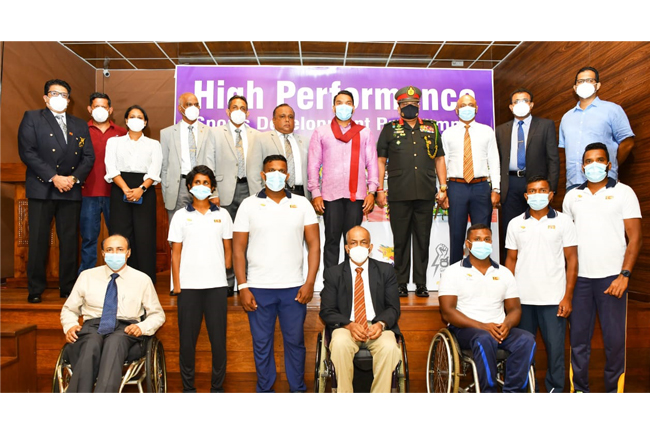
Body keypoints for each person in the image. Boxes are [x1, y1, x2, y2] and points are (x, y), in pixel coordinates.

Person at [233, 154, 320, 393]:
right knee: (262, 344)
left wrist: (310, 282)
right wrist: (242, 286)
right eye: (271, 170)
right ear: (262, 175)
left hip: (294, 288)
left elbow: (314, 245)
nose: (276, 175)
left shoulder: (302, 204)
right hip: (258, 288)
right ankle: (265, 391)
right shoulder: (248, 204)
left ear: (288, 176)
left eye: (281, 170)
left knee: (295, 343)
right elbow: (238, 250)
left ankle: (298, 390)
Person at [562, 142, 642, 393]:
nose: (594, 165)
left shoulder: (624, 192)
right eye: (589, 161)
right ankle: (580, 392)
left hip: (612, 281)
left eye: (599, 160)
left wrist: (624, 275)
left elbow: (636, 237)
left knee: (614, 344)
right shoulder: (572, 196)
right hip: (580, 281)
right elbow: (566, 242)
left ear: (608, 164)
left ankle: (612, 396)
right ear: (582, 166)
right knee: (578, 343)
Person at [18, 78, 95, 302]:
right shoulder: (32, 118)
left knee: (70, 241)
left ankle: (68, 287)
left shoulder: (80, 125)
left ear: (69, 101)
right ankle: (35, 289)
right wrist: (54, 177)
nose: (59, 98)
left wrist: (72, 178)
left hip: (70, 189)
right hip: (42, 188)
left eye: (64, 95)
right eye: (54, 94)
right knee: (39, 240)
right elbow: (28, 152)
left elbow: (88, 156)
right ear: (45, 97)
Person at [60, 234, 165, 393]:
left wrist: (142, 327)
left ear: (128, 253)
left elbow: (157, 314)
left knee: (114, 343)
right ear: (103, 253)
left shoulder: (142, 279)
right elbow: (69, 309)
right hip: (93, 326)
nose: (114, 253)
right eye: (109, 250)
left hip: (125, 329)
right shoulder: (87, 276)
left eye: (120, 249)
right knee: (90, 344)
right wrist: (70, 325)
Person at [439, 223, 536, 393]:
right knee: (484, 338)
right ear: (468, 244)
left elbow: (515, 310)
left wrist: (506, 325)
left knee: (526, 339)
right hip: (466, 329)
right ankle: (489, 392)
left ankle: (514, 392)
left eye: (486, 239)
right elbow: (448, 312)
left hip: (498, 328)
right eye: (477, 239)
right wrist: (483, 326)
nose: (482, 243)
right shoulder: (453, 272)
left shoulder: (504, 273)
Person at [505, 176, 578, 393]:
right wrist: (508, 297)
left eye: (542, 190)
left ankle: (555, 392)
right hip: (522, 301)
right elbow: (510, 260)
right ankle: (528, 392)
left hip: (554, 300)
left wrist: (568, 297)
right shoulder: (515, 223)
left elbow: (572, 260)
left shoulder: (564, 221)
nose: (538, 195)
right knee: (523, 352)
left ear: (551, 194)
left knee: (556, 352)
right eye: (533, 191)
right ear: (526, 196)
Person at [376, 85, 447, 297]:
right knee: (401, 240)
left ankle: (421, 283)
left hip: (425, 193)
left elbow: (440, 158)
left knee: (422, 239)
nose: (409, 108)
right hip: (398, 194)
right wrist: (380, 188)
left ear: (419, 106)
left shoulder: (432, 129)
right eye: (405, 105)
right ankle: (400, 283)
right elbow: (380, 161)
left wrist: (443, 187)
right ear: (398, 108)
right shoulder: (389, 129)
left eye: (413, 104)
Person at [168, 165, 233, 393]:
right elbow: (175, 253)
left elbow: (228, 248)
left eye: (206, 183)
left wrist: (223, 268)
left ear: (212, 187)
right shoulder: (180, 216)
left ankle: (217, 389)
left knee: (218, 343)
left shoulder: (223, 215)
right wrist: (177, 284)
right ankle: (189, 389)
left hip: (216, 287)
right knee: (187, 343)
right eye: (197, 182)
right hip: (188, 288)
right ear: (189, 187)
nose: (201, 187)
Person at [319, 225, 401, 393]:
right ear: (347, 248)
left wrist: (380, 324)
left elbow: (393, 308)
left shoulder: (386, 271)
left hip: (377, 327)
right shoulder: (333, 273)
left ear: (370, 247)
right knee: (340, 343)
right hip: (346, 327)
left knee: (390, 346)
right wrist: (349, 325)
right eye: (353, 243)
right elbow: (327, 310)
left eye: (363, 242)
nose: (358, 247)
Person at [308, 90, 378, 269]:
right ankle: (331, 285)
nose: (343, 106)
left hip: (357, 196)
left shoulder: (364, 132)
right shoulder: (321, 132)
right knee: (331, 240)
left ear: (354, 107)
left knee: (354, 242)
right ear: (333, 107)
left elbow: (372, 164)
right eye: (339, 103)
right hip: (330, 196)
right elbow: (314, 164)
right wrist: (315, 192)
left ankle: (351, 283)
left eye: (348, 103)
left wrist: (372, 192)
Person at [104, 105, 162, 284]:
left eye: (140, 117)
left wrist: (141, 190)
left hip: (145, 191)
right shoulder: (114, 142)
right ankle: (120, 280)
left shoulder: (154, 144)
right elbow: (111, 168)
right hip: (119, 188)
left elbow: (154, 171)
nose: (136, 119)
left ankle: (145, 282)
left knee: (144, 237)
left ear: (145, 122)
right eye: (132, 116)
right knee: (121, 234)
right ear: (127, 121)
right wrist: (125, 188)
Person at [442, 94, 500, 265]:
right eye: (463, 105)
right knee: (456, 235)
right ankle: (455, 275)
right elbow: (442, 164)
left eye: (470, 104)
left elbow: (494, 161)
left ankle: (481, 271)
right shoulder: (448, 133)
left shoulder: (486, 131)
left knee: (481, 234)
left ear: (476, 108)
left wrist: (496, 189)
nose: (467, 108)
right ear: (456, 109)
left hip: (481, 187)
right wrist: (442, 190)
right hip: (456, 187)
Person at [496, 88, 559, 239]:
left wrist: (552, 188)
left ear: (531, 105)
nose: (521, 104)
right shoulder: (500, 130)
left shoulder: (545, 126)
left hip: (537, 185)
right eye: (516, 102)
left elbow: (553, 159)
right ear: (511, 107)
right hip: (510, 185)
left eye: (525, 101)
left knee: (539, 228)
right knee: (511, 230)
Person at [559, 66, 635, 190]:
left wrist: (611, 166)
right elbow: (564, 151)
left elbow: (627, 143)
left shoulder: (612, 110)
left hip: (604, 180)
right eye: (580, 81)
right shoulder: (566, 118)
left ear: (598, 85)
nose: (584, 84)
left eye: (589, 80)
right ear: (575, 87)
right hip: (574, 183)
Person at [213, 94, 259, 294]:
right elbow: (208, 162)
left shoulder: (257, 135)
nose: (238, 111)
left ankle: (246, 281)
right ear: (228, 111)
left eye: (242, 108)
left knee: (250, 238)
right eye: (235, 107)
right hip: (223, 192)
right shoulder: (214, 133)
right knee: (226, 238)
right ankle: (227, 280)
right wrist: (212, 192)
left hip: (250, 190)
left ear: (247, 113)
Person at [78, 92, 127, 275]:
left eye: (104, 107)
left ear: (111, 109)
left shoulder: (122, 133)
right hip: (87, 193)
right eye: (96, 106)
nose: (100, 110)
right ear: (90, 109)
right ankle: (86, 278)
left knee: (118, 239)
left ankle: (119, 276)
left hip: (114, 193)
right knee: (89, 238)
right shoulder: (81, 130)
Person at [160, 92, 217, 222]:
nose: (193, 108)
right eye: (189, 105)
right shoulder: (167, 133)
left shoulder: (210, 132)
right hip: (178, 187)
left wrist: (213, 192)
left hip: (203, 185)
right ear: (180, 108)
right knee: (178, 228)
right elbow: (164, 168)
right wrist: (166, 193)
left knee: (202, 226)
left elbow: (213, 163)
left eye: (196, 105)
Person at [248, 103, 310, 199]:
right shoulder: (261, 139)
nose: (287, 120)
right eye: (282, 116)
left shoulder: (305, 141)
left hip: (301, 194)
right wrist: (259, 198)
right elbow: (253, 173)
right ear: (273, 120)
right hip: (271, 194)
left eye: (291, 117)